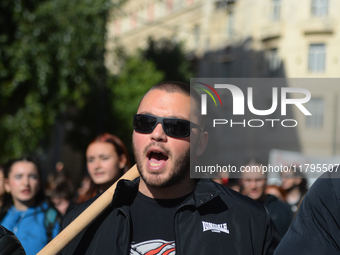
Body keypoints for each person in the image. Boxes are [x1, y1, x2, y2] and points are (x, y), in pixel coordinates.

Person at [61, 81, 280, 255]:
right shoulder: (80, 224)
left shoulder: (249, 221)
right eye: (145, 123)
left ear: (201, 143)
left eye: (176, 127)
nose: (157, 134)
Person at [0, 158, 60, 255]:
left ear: (39, 183)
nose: (26, 183)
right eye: (18, 176)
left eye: (33, 176)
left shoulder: (51, 218)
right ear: (7, 184)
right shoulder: (2, 215)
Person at [274, 170, 340, 255]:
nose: (284, 179)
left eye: (288, 176)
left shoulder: (307, 198)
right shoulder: (279, 203)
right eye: (282, 176)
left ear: (298, 179)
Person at [240, 161, 293, 237]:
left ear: (266, 180)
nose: (253, 186)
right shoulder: (234, 210)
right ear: (241, 181)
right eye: (248, 180)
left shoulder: (283, 210)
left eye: (258, 180)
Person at [77, 133, 131, 204]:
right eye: (91, 160)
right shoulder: (80, 206)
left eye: (104, 158)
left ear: (121, 160)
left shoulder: (137, 202)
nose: (96, 166)